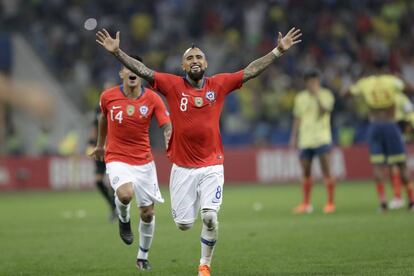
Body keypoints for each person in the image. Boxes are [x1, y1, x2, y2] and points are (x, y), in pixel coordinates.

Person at [96, 27, 301, 276]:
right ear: (183, 66)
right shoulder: (171, 85)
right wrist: (117, 52)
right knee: (183, 225)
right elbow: (143, 71)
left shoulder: (219, 84)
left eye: (199, 57)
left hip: (212, 166)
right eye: (190, 58)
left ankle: (204, 265)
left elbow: (251, 70)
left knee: (210, 218)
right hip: (182, 168)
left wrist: (278, 51)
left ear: (206, 63)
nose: (195, 61)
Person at [89, 56, 172, 270]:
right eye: (128, 68)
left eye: (137, 68)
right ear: (122, 74)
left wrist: (168, 137)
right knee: (125, 194)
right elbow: (103, 118)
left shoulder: (153, 99)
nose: (133, 71)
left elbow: (166, 124)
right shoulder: (108, 96)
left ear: (142, 73)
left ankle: (142, 256)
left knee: (148, 213)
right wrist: (100, 145)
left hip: (144, 162)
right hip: (117, 157)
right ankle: (123, 219)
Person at [346, 68, 414, 212]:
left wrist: (357, 81)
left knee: (378, 166)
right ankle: (411, 202)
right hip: (391, 125)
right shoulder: (392, 82)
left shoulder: (366, 82)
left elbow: (345, 94)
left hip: (374, 126)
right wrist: (400, 77)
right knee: (401, 164)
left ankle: (383, 203)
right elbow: (410, 89)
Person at [290, 69, 335, 214]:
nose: (312, 84)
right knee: (306, 172)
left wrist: (317, 96)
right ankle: (306, 204)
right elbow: (297, 118)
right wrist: (294, 136)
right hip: (305, 139)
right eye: (309, 82)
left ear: (318, 82)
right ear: (306, 83)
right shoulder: (300, 97)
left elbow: (324, 111)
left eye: (314, 82)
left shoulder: (326, 95)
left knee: (326, 170)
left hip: (322, 138)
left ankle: (329, 203)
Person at [86, 85, 117, 220]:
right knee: (99, 181)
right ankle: (113, 206)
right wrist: (91, 142)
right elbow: (95, 126)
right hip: (100, 149)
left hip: (114, 148)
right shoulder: (98, 108)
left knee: (113, 182)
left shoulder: (117, 106)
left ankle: (117, 210)